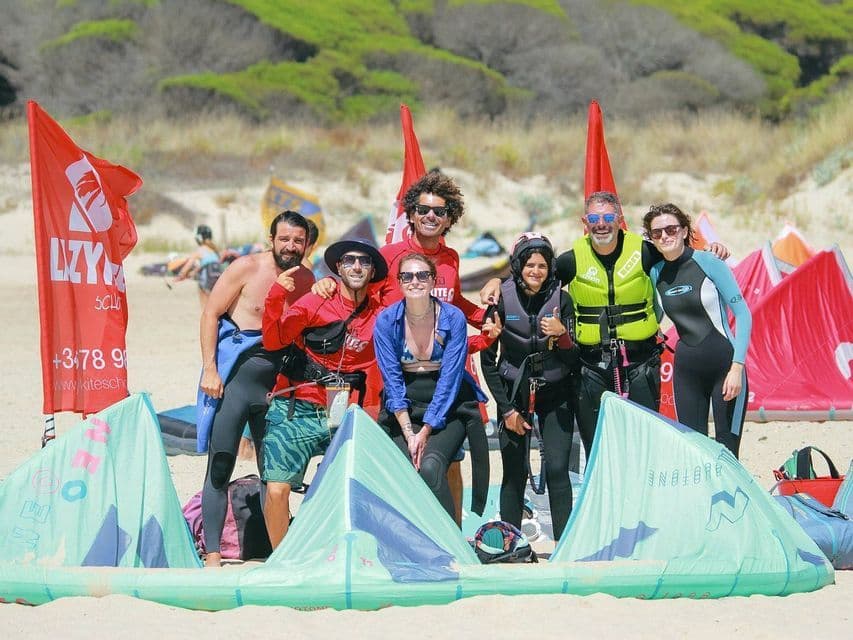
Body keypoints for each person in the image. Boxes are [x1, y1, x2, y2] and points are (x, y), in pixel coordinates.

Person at [480, 191, 730, 460]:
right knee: (598, 448)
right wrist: (499, 281)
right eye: (595, 218)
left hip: (641, 363)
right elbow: (532, 277)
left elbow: (681, 256)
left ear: (619, 219)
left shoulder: (645, 251)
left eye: (608, 217)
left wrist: (711, 252)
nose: (602, 224)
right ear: (584, 221)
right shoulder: (572, 258)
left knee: (644, 444)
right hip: (591, 367)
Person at [313, 170, 490, 523]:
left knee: (450, 464)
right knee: (400, 464)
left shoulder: (451, 258)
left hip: (443, 376)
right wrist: (327, 286)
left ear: (449, 218)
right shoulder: (391, 256)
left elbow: (453, 303)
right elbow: (359, 289)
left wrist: (486, 316)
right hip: (396, 375)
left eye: (439, 211)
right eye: (423, 209)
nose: (430, 216)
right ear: (410, 213)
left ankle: (452, 532)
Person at [197, 210, 315, 567]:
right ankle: (214, 554)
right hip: (234, 381)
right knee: (220, 465)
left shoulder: (309, 278)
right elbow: (210, 314)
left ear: (307, 244)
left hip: (276, 387)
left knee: (273, 472)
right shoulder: (245, 268)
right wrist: (210, 370)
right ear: (272, 239)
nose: (290, 247)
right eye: (284, 239)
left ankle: (274, 551)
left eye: (298, 241)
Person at [261, 238, 387, 549]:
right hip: (296, 408)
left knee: (355, 488)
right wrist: (277, 294)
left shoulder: (381, 314)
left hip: (345, 414)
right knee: (277, 490)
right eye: (349, 260)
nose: (356, 266)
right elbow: (274, 340)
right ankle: (283, 564)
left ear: (372, 272)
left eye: (364, 261)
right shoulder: (314, 301)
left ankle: (341, 551)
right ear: (338, 268)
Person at [374, 253, 489, 521]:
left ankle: (450, 545)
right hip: (404, 405)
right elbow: (391, 379)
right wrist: (407, 430)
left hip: (448, 406)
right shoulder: (387, 320)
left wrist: (425, 431)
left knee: (430, 466)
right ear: (399, 282)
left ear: (433, 280)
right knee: (403, 471)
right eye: (408, 276)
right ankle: (410, 545)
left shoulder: (453, 317)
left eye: (422, 275)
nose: (415, 281)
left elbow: (450, 378)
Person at [479, 233, 578, 540]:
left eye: (543, 265)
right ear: (519, 266)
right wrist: (506, 410)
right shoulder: (500, 299)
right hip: (513, 393)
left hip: (555, 392)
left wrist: (562, 334)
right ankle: (511, 544)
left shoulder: (563, 300)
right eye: (530, 265)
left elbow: (575, 357)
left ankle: (564, 545)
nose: (536, 271)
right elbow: (487, 361)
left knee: (559, 470)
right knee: (514, 472)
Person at [643, 204, 751, 457]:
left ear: (683, 231)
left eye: (671, 229)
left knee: (727, 450)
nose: (665, 236)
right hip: (687, 371)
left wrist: (737, 368)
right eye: (657, 233)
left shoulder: (709, 262)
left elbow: (744, 315)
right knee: (695, 451)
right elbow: (653, 319)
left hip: (725, 366)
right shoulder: (655, 274)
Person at [175, 224, 222, 307]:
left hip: (207, 278)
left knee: (205, 305)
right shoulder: (215, 251)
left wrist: (179, 276)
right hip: (219, 278)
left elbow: (186, 268)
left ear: (199, 238)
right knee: (214, 305)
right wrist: (192, 273)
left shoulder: (200, 250)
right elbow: (205, 266)